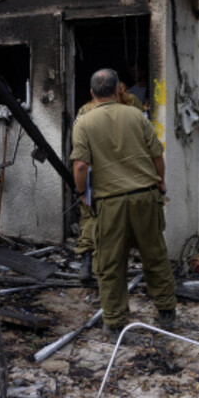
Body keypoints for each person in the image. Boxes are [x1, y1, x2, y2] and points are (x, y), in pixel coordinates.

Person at [71, 68, 176, 338]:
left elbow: (80, 165)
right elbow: (157, 155)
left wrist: (83, 194)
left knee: (110, 263)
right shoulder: (136, 115)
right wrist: (160, 183)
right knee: (154, 255)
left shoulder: (84, 122)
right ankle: (166, 311)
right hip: (145, 197)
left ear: (92, 92)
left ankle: (114, 322)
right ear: (118, 89)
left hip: (110, 202)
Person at [72, 81, 143, 283]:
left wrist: (81, 188)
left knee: (89, 215)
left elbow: (79, 148)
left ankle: (87, 262)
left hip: (95, 171)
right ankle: (113, 266)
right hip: (124, 173)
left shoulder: (86, 110)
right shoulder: (132, 106)